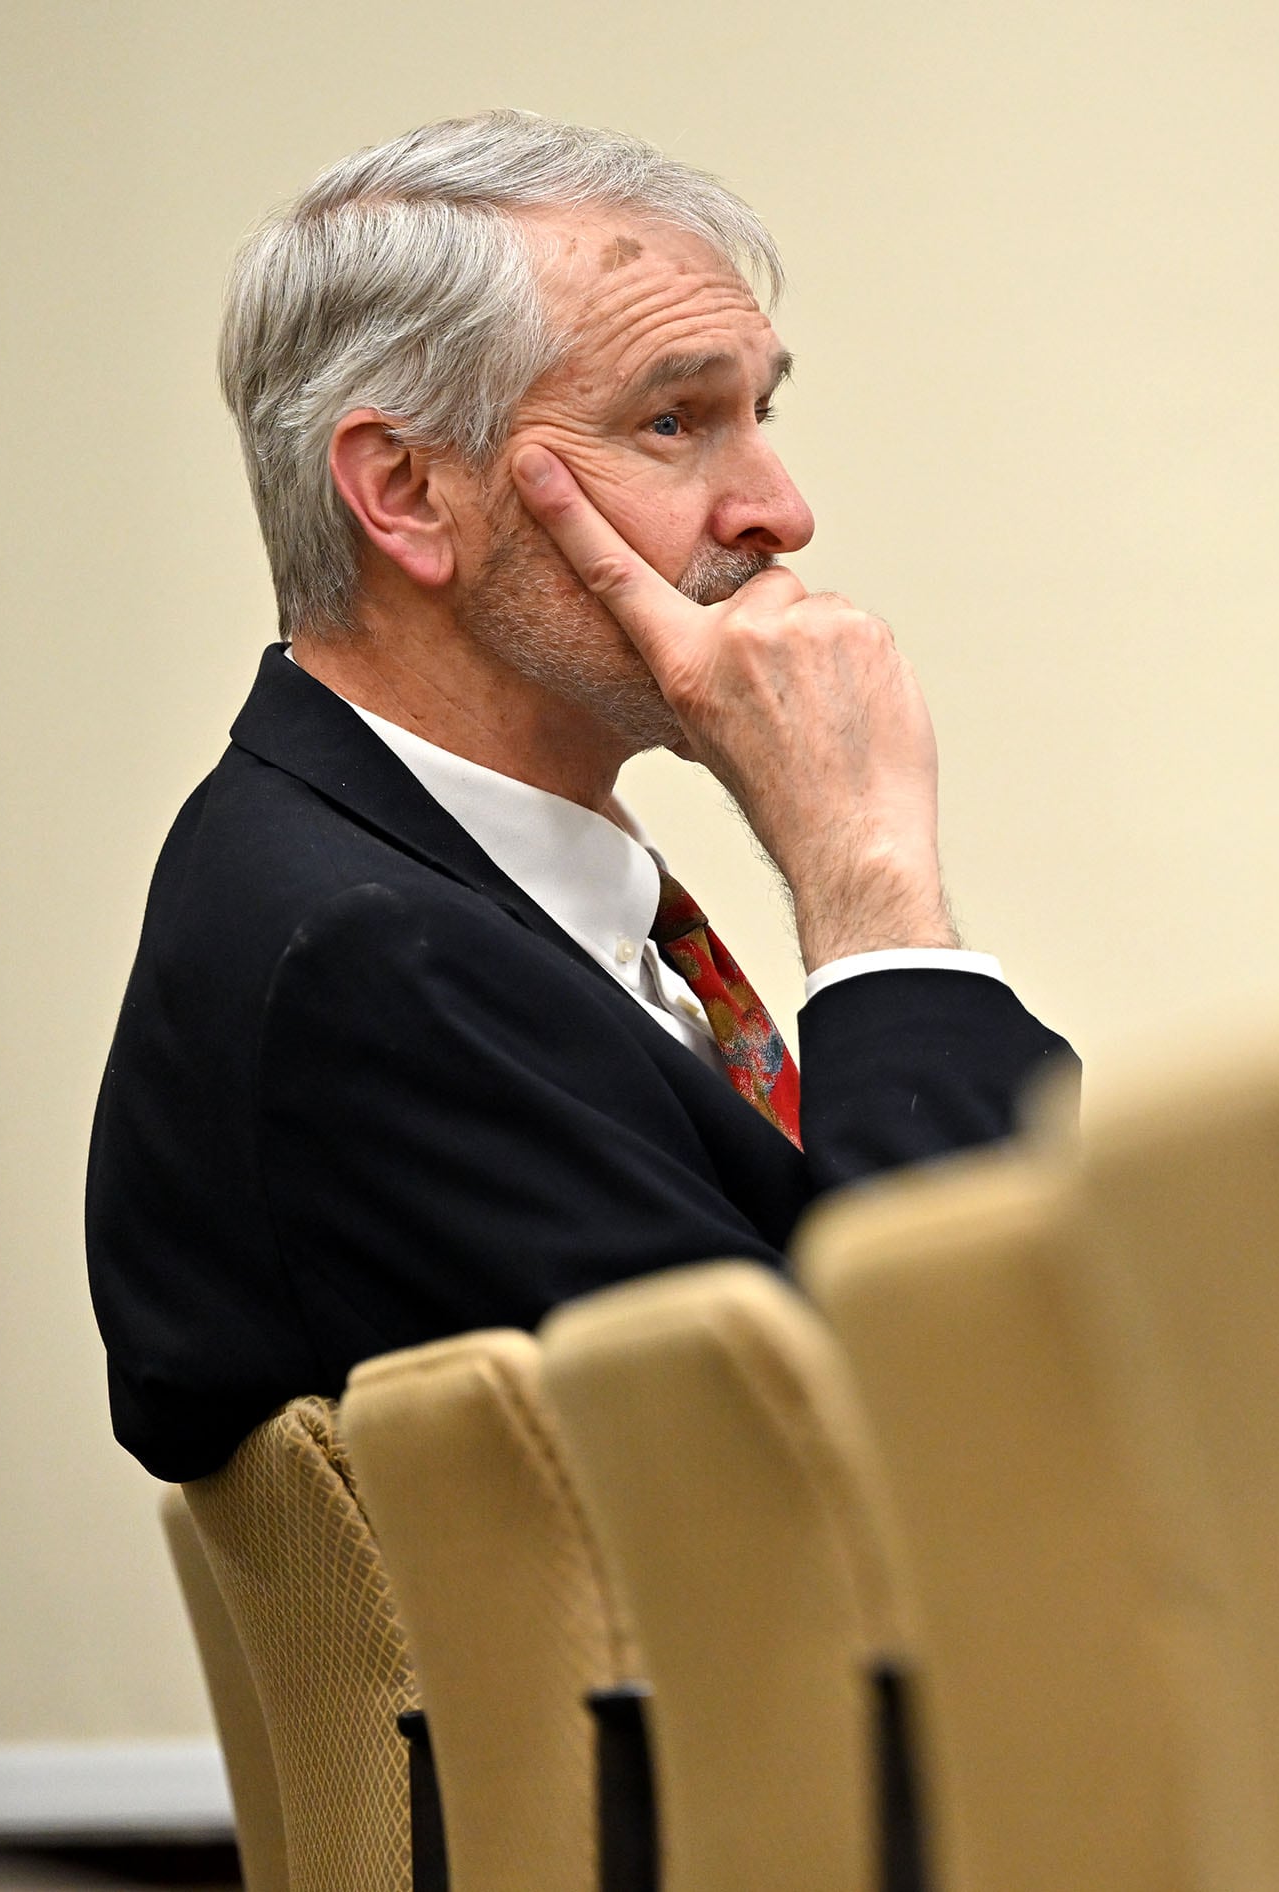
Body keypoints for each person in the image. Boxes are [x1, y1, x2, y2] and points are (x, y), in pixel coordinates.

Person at [86, 111, 1075, 1484]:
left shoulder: (452, 889)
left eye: (759, 413)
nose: (780, 511)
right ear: (408, 492)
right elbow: (950, 1454)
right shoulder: (365, 958)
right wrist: (869, 884)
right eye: (674, 421)